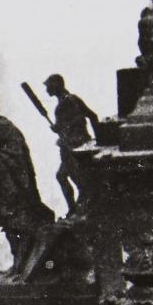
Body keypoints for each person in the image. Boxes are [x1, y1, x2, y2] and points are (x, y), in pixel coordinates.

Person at [0, 91, 55, 285]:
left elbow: (15, 157)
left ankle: (19, 265)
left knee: (12, 226)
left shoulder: (4, 128)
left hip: (7, 188)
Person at [44, 74, 100, 213]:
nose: (47, 89)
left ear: (56, 85)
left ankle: (77, 209)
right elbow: (91, 116)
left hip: (74, 147)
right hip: (72, 145)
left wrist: (61, 127)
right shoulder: (70, 99)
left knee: (75, 179)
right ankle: (74, 209)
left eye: (49, 86)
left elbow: (81, 119)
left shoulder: (66, 102)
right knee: (63, 176)